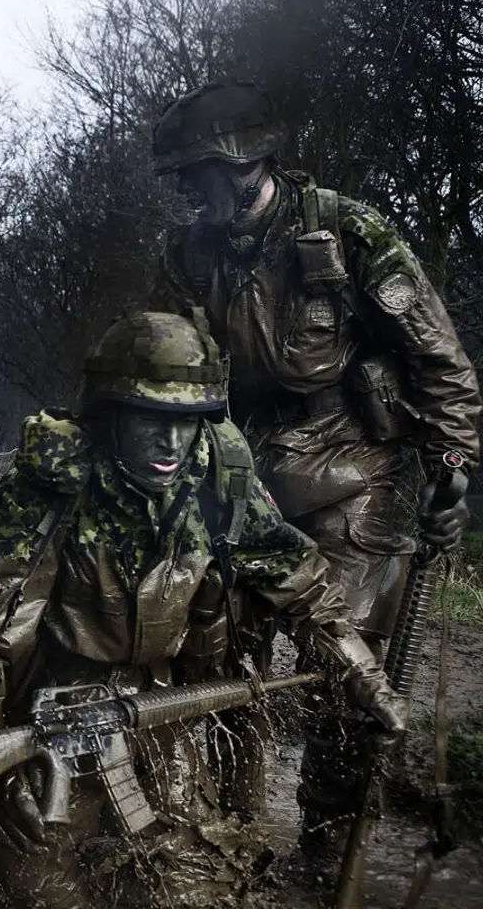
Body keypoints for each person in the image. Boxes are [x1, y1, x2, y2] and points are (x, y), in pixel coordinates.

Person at [0, 311, 409, 909]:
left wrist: (365, 675)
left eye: (187, 421)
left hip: (158, 712)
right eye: (153, 418)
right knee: (48, 892)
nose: (172, 444)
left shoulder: (220, 481)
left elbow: (301, 584)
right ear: (111, 411)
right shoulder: (52, 486)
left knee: (198, 886)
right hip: (49, 719)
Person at [147, 82, 481, 851]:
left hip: (360, 472)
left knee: (345, 666)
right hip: (245, 476)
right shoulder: (187, 254)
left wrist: (453, 466)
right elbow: (161, 361)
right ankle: (234, 828)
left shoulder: (346, 232)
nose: (191, 197)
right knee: (225, 655)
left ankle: (328, 845)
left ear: (240, 164)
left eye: (198, 176)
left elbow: (441, 363)